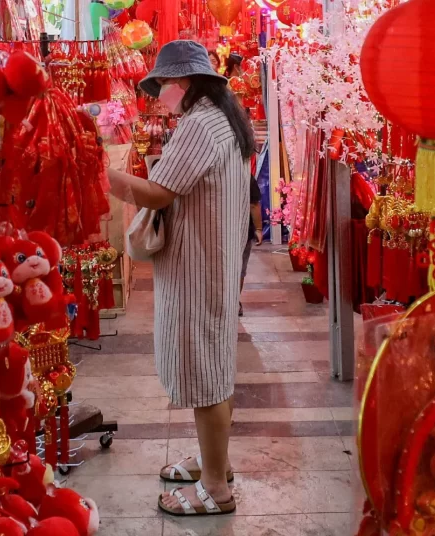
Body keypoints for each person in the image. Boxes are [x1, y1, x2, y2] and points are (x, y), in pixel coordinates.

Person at [106, 40, 255, 517]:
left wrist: (105, 177)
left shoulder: (199, 125)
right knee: (214, 368)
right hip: (213, 261)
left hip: (199, 267)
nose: (162, 94)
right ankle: (216, 463)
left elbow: (158, 192)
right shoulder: (222, 119)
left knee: (204, 375)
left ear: (186, 82)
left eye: (166, 83)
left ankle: (216, 488)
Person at [239, 176, 263, 317]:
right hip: (243, 230)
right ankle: (235, 302)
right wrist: (258, 229)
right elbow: (253, 205)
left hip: (219, 229)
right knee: (240, 268)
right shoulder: (246, 176)